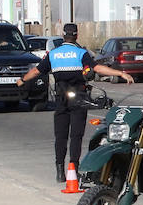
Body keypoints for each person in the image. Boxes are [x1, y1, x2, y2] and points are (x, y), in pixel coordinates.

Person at [17, 23, 133, 182]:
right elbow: (97, 68)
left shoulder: (53, 54)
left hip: (60, 99)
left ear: (63, 35)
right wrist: (120, 73)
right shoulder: (81, 53)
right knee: (76, 136)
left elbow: (37, 71)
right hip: (79, 99)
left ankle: (59, 171)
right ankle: (73, 168)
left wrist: (22, 80)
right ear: (76, 36)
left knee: (60, 136)